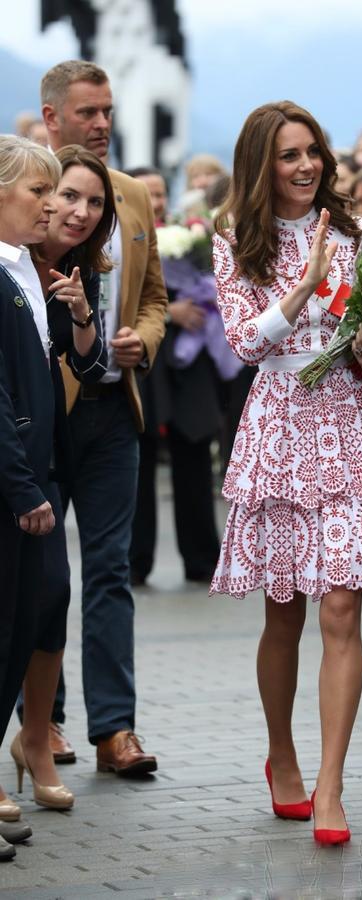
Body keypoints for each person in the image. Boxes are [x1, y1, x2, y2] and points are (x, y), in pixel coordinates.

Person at [210, 101, 362, 845]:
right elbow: (242, 346)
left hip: (350, 426)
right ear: (263, 165)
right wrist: (306, 286)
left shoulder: (359, 235)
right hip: (280, 431)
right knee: (285, 612)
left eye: (312, 152)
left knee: (341, 611)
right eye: (289, 155)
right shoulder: (233, 241)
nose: (305, 166)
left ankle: (332, 786)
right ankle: (282, 757)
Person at [41, 60, 167, 774]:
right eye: (88, 112)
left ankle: (115, 731)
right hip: (44, 413)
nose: (102, 125)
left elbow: (151, 297)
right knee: (43, 574)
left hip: (115, 407)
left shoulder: (130, 197)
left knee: (110, 570)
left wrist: (140, 340)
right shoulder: (25, 188)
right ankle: (45, 720)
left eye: (109, 112)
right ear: (53, 117)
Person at [11, 144, 115, 813]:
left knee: (53, 596)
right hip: (19, 459)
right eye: (53, 193)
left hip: (50, 452)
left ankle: (36, 739)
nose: (65, 209)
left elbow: (89, 362)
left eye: (86, 202)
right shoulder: (13, 262)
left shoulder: (58, 268)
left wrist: (78, 313)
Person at [0, 135, 62, 860]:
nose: (49, 203)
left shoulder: (22, 271)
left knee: (21, 627)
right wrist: (21, 483)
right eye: (35, 191)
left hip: (28, 476)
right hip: (11, 484)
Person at [126, 166, 223, 586]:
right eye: (147, 194)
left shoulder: (193, 236)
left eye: (162, 194)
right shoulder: (119, 241)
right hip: (145, 359)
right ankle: (135, 561)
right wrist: (169, 312)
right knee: (138, 463)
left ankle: (202, 559)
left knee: (195, 451)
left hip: (189, 360)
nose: (157, 202)